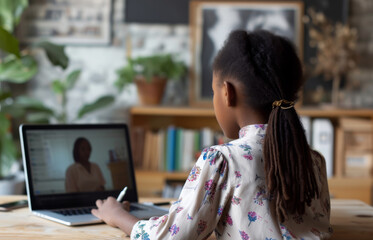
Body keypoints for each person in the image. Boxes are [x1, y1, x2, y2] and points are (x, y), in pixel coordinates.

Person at [91, 30, 332, 239]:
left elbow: (170, 238)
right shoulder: (313, 161)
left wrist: (118, 216)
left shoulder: (222, 161)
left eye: (213, 91)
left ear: (227, 93)